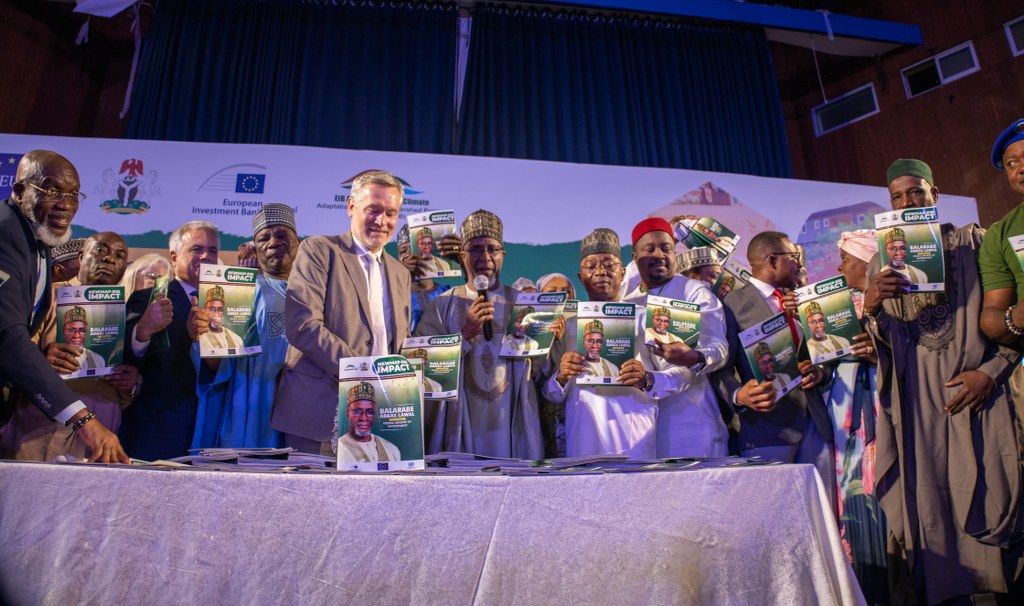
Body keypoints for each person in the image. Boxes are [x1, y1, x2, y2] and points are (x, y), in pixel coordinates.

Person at [865, 158, 1023, 604]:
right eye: (897, 196)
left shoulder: (974, 242)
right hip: (919, 407)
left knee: (994, 490)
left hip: (981, 397)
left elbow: (1010, 323)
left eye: (916, 191)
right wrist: (871, 306)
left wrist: (990, 373)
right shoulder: (882, 261)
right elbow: (886, 344)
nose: (907, 202)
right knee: (930, 505)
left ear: (934, 194)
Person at [0, 150, 128, 463]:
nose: (65, 204)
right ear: (20, 191)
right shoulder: (5, 236)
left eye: (73, 194)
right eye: (51, 190)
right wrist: (84, 420)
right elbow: (8, 336)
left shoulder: (38, 239)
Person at [273, 170, 411, 455]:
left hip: (382, 419)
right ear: (351, 206)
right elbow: (303, 325)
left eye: (391, 213)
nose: (381, 221)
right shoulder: (319, 250)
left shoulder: (400, 273)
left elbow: (399, 344)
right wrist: (362, 374)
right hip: (319, 415)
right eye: (373, 210)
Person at [710, 230, 837, 511]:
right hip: (767, 431)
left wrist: (820, 372)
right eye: (793, 257)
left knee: (821, 515)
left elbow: (826, 355)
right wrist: (739, 395)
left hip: (815, 425)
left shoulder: (805, 300)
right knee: (772, 517)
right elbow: (719, 369)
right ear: (771, 260)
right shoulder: (731, 305)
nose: (799, 264)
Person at [415, 209, 543, 458]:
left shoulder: (524, 304)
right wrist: (464, 335)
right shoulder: (442, 305)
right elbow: (424, 368)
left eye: (492, 249)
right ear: (462, 256)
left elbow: (542, 371)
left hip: (512, 419)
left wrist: (545, 340)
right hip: (460, 422)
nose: (485, 257)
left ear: (503, 254)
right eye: (475, 249)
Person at [540, 228, 658, 458]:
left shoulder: (645, 317)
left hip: (636, 437)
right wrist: (562, 376)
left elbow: (676, 376)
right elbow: (550, 394)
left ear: (623, 273)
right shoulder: (566, 327)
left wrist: (647, 378)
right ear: (581, 277)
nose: (601, 271)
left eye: (609, 264)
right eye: (591, 265)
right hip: (584, 438)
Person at [191, 203, 298, 449]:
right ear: (256, 248)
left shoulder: (316, 290)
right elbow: (218, 364)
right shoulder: (239, 292)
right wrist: (202, 337)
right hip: (251, 401)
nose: (273, 243)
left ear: (298, 243)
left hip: (301, 402)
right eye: (264, 238)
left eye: (282, 235)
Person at [623, 218, 731, 458]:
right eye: (650, 249)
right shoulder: (626, 302)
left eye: (666, 248)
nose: (659, 255)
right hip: (640, 428)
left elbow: (718, 347)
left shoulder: (693, 292)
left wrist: (694, 356)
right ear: (635, 257)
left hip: (690, 422)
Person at [823, 229, 888, 604]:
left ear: (867, 263)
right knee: (850, 491)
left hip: (881, 406)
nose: (839, 267)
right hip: (844, 413)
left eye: (846, 260)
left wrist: (878, 354)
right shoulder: (836, 308)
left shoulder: (895, 303)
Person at [121, 220, 220, 461]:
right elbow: (123, 361)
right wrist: (143, 330)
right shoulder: (148, 298)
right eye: (197, 249)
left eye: (212, 250)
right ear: (174, 257)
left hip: (213, 428)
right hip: (159, 429)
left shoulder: (227, 305)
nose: (206, 256)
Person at [337, 382, 401, 463]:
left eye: (369, 412)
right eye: (357, 411)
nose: (363, 418)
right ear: (347, 413)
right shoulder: (339, 449)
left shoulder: (391, 450)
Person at [197, 285, 244, 351]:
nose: (216, 314)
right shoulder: (199, 337)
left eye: (220, 310)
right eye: (211, 309)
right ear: (205, 311)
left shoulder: (237, 339)